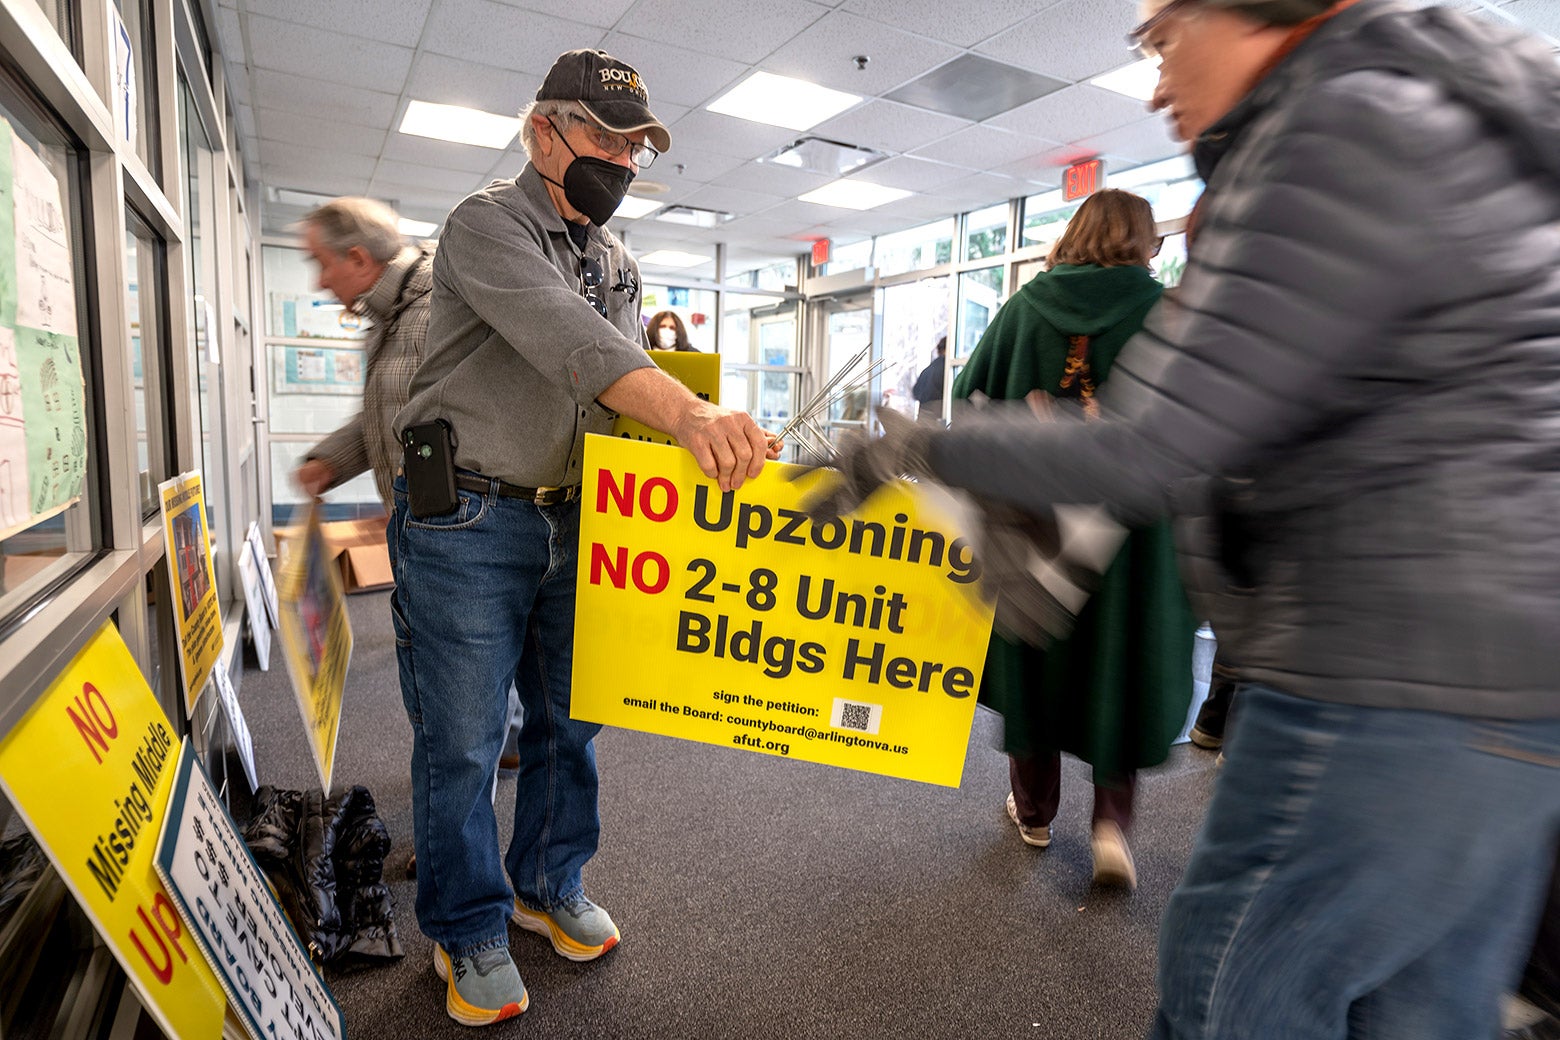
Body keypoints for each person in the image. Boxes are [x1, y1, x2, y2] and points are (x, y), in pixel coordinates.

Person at [812, 0, 1560, 1036]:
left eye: (1162, 38)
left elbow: (1153, 442)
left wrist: (911, 447)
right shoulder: (1470, 120)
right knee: (1421, 1009)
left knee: (1232, 996)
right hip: (1519, 684)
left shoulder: (1336, 130)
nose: (1156, 79)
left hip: (1374, 673)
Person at [391, 48, 772, 1027]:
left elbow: (626, 392)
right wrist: (691, 413)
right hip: (469, 517)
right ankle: (468, 923)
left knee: (574, 721)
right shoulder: (485, 226)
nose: (625, 158)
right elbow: (576, 345)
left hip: (580, 519)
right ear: (542, 131)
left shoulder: (615, 258)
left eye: (638, 144)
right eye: (605, 135)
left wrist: (739, 460)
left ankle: (547, 881)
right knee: (467, 740)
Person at [952, 189, 1194, 890]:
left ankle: (1033, 811)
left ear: (1074, 233)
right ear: (1148, 243)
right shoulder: (1170, 316)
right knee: (1122, 661)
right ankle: (1112, 827)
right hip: (1136, 540)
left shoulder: (1026, 308)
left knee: (1038, 658)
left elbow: (968, 395)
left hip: (1037, 525)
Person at [295, 197, 431, 509]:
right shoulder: (390, 317)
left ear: (358, 259)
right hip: (418, 528)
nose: (319, 282)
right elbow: (398, 416)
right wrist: (330, 462)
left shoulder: (436, 308)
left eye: (322, 263)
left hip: (452, 538)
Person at [911, 335, 947, 424]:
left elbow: (915, 392)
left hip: (922, 421)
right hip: (936, 424)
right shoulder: (947, 370)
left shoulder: (928, 369)